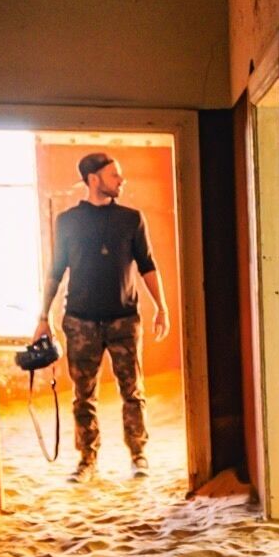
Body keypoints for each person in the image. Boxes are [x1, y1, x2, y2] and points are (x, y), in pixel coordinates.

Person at [32, 151, 170, 480]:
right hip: (80, 321)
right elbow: (55, 271)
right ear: (93, 180)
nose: (121, 180)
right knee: (83, 395)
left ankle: (139, 456)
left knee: (133, 391)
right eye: (113, 175)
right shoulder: (68, 221)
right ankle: (87, 460)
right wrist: (43, 316)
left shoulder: (132, 218)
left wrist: (161, 307)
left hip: (124, 319)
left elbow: (148, 265)